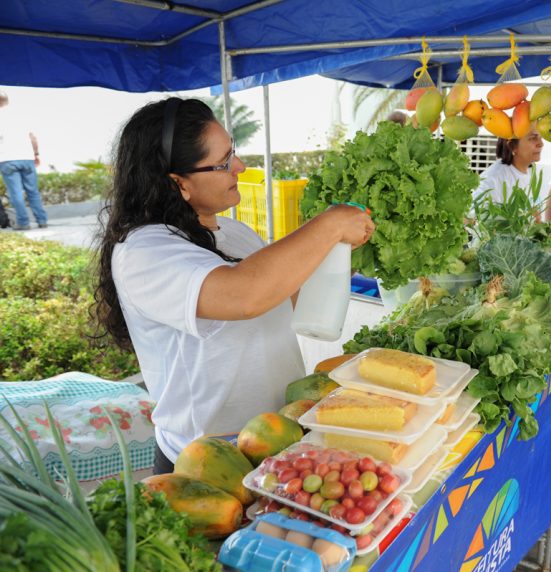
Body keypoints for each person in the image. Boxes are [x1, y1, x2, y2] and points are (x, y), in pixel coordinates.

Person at [94, 98, 374, 475]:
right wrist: (329, 224)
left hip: (278, 442)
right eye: (224, 161)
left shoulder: (233, 231)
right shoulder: (144, 251)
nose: (240, 167)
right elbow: (245, 295)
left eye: (234, 153)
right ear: (178, 183)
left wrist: (331, 251)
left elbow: (282, 297)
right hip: (209, 463)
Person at [0, 91, 48, 230]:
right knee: (33, 191)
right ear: (7, 101)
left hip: (7, 160)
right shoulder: (21, 116)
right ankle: (42, 220)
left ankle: (23, 223)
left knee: (16, 193)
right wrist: (36, 154)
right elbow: (33, 138)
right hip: (27, 159)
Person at [472, 128, 544, 206]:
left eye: (541, 137)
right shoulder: (493, 179)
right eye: (533, 138)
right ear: (512, 146)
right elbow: (472, 214)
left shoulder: (531, 170)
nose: (541, 144)